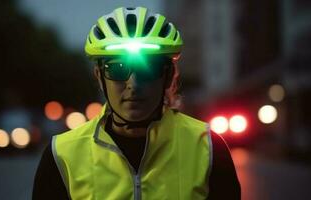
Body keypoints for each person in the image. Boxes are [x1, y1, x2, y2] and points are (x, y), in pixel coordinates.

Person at [33, 7, 240, 200]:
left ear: (168, 76)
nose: (133, 84)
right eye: (118, 68)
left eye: (147, 69)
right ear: (99, 77)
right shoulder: (61, 155)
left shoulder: (208, 149)